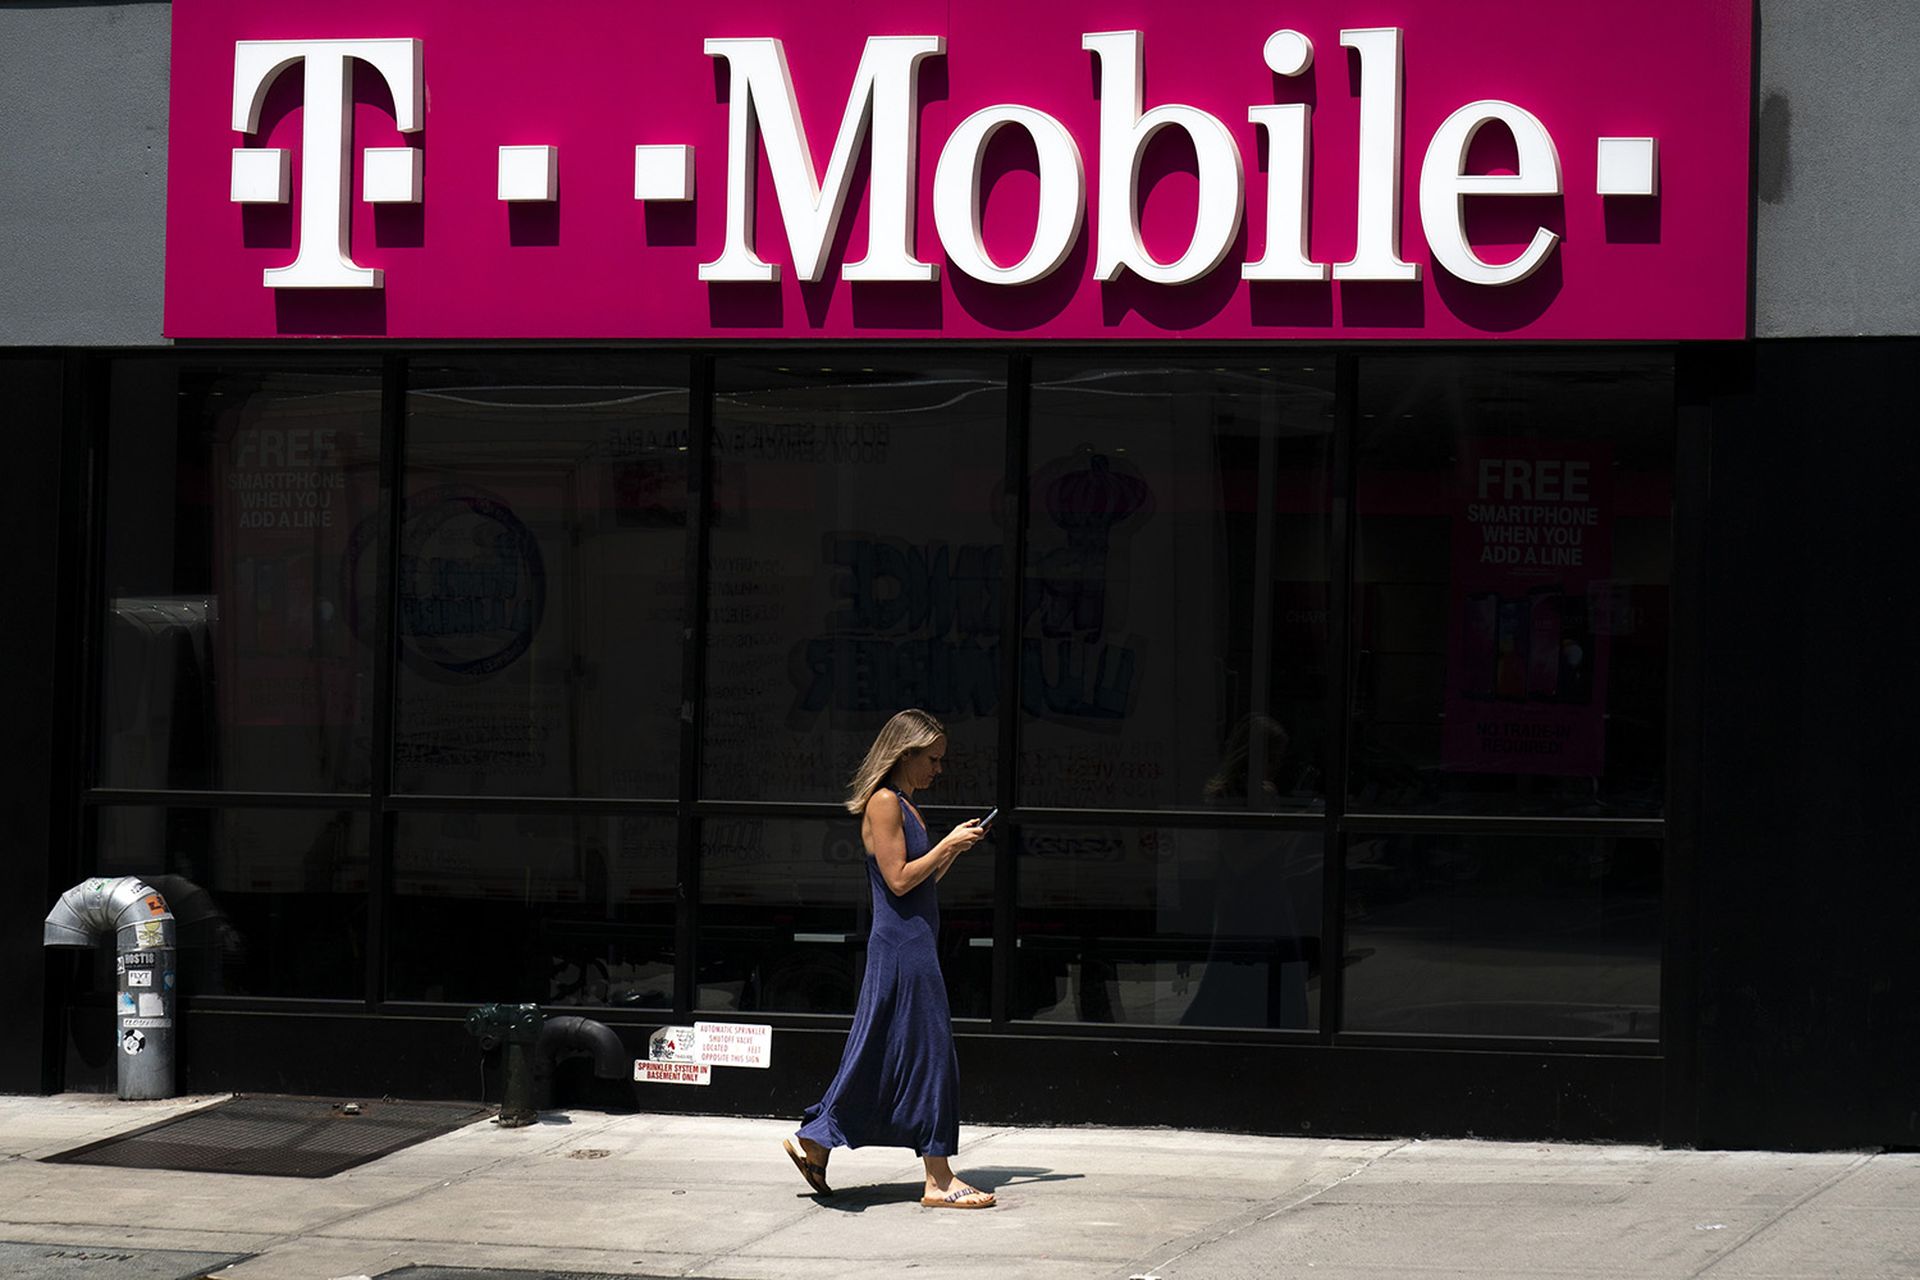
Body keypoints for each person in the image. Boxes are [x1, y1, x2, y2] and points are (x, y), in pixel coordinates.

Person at [781, 708, 996, 1209]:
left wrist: (949, 854)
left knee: (887, 1050)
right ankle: (938, 1180)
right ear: (906, 753)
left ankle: (817, 1137)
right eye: (933, 759)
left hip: (911, 940)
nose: (938, 769)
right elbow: (899, 880)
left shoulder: (906, 804)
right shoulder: (884, 803)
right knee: (931, 1055)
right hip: (902, 948)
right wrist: (944, 843)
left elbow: (914, 887)